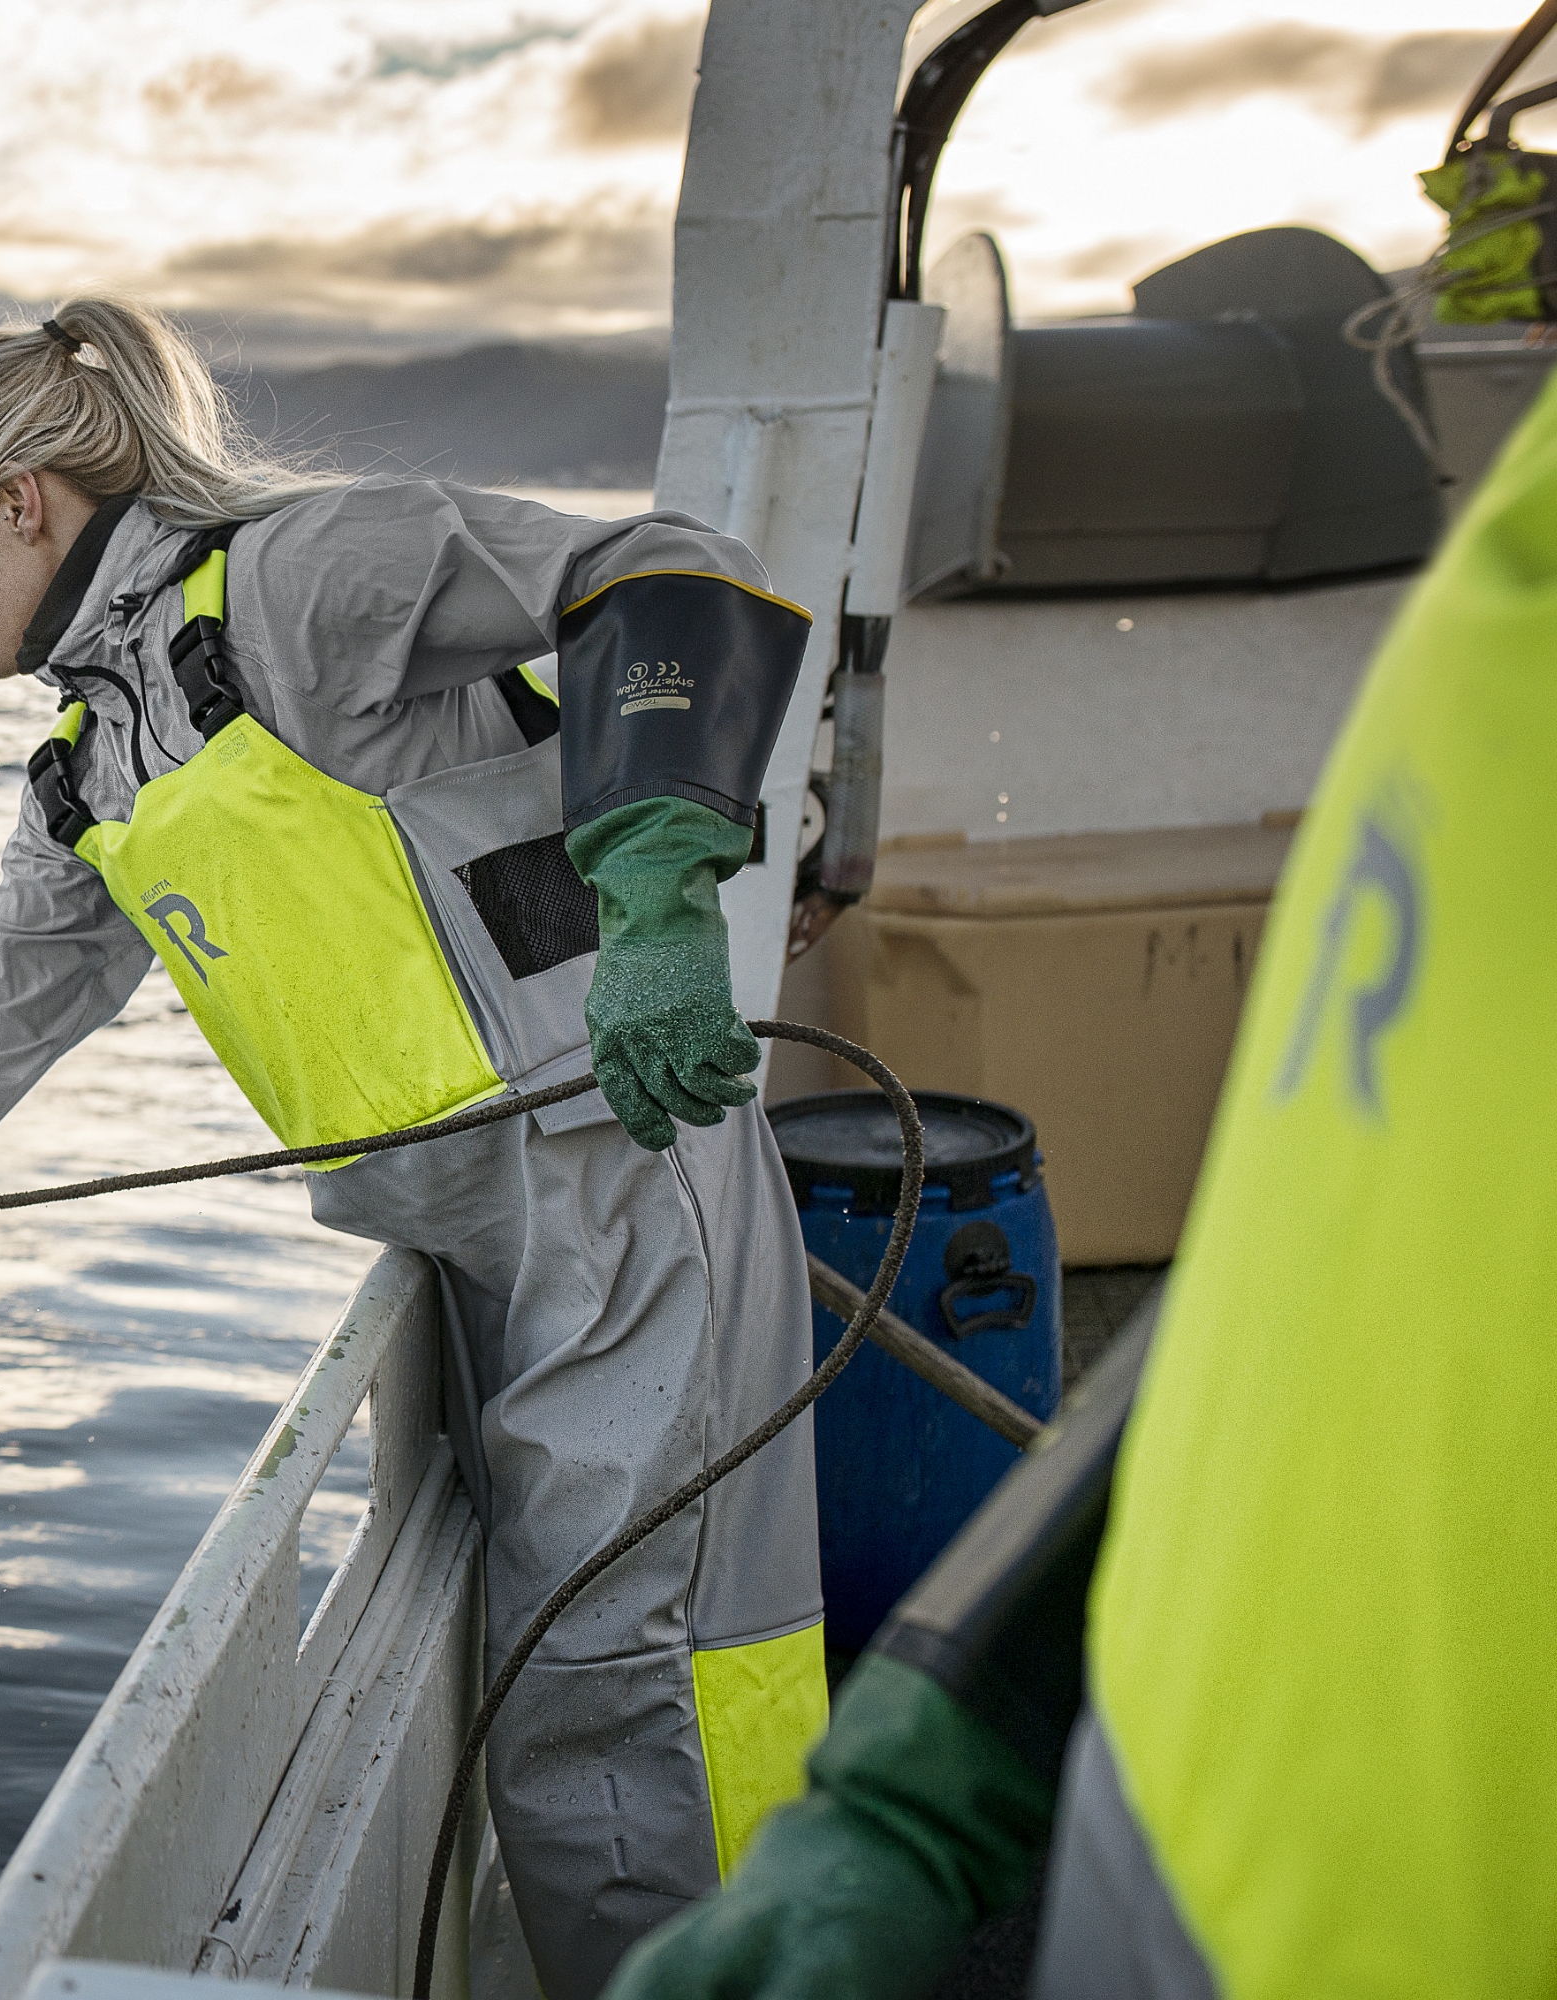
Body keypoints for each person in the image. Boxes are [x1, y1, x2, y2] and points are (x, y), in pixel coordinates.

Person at [0, 295, 820, 1996]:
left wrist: (655, 892)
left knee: (632, 1684)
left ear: (26, 504)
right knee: (570, 1698)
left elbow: (672, 571)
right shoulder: (89, 778)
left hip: (622, 1183)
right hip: (478, 1249)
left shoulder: (299, 581)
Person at [601, 378, 1557, 1998]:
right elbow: (1317, 1266)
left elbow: (662, 581)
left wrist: (647, 874)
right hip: (1144, 1854)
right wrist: (927, 1780)